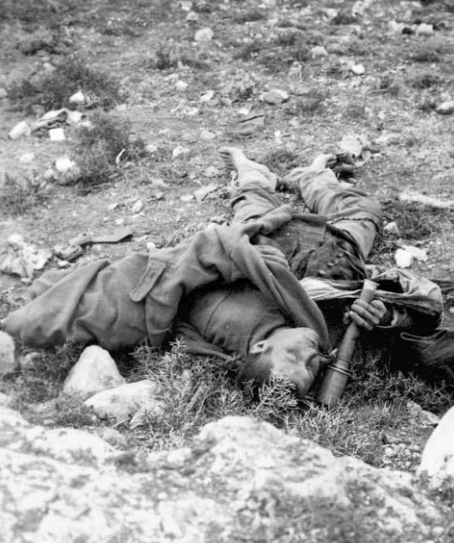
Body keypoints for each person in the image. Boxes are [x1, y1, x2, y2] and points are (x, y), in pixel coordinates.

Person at [3, 146, 390, 398]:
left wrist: (242, 251)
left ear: (259, 348)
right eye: (313, 369)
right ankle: (313, 174)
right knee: (364, 212)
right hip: (338, 253)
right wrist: (384, 317)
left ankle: (254, 169)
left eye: (297, 359)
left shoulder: (225, 323)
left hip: (270, 240)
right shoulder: (321, 336)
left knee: (254, 206)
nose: (314, 357)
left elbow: (187, 273)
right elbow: (412, 307)